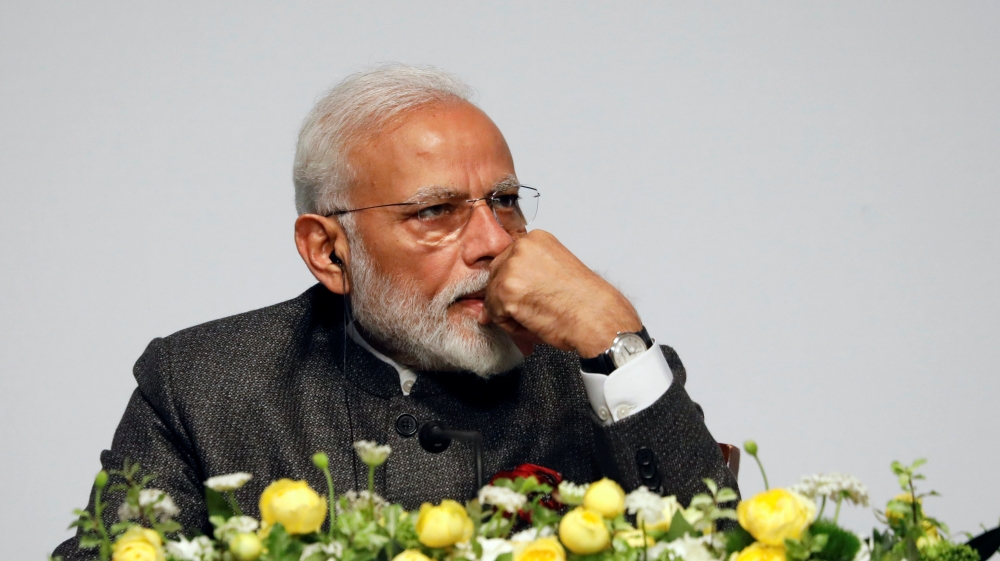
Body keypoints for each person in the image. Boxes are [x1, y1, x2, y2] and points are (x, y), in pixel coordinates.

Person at [53, 64, 736, 558]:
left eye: (504, 200)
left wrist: (616, 337)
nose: (496, 242)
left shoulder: (604, 366)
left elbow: (732, 546)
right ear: (328, 251)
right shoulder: (200, 384)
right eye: (435, 211)